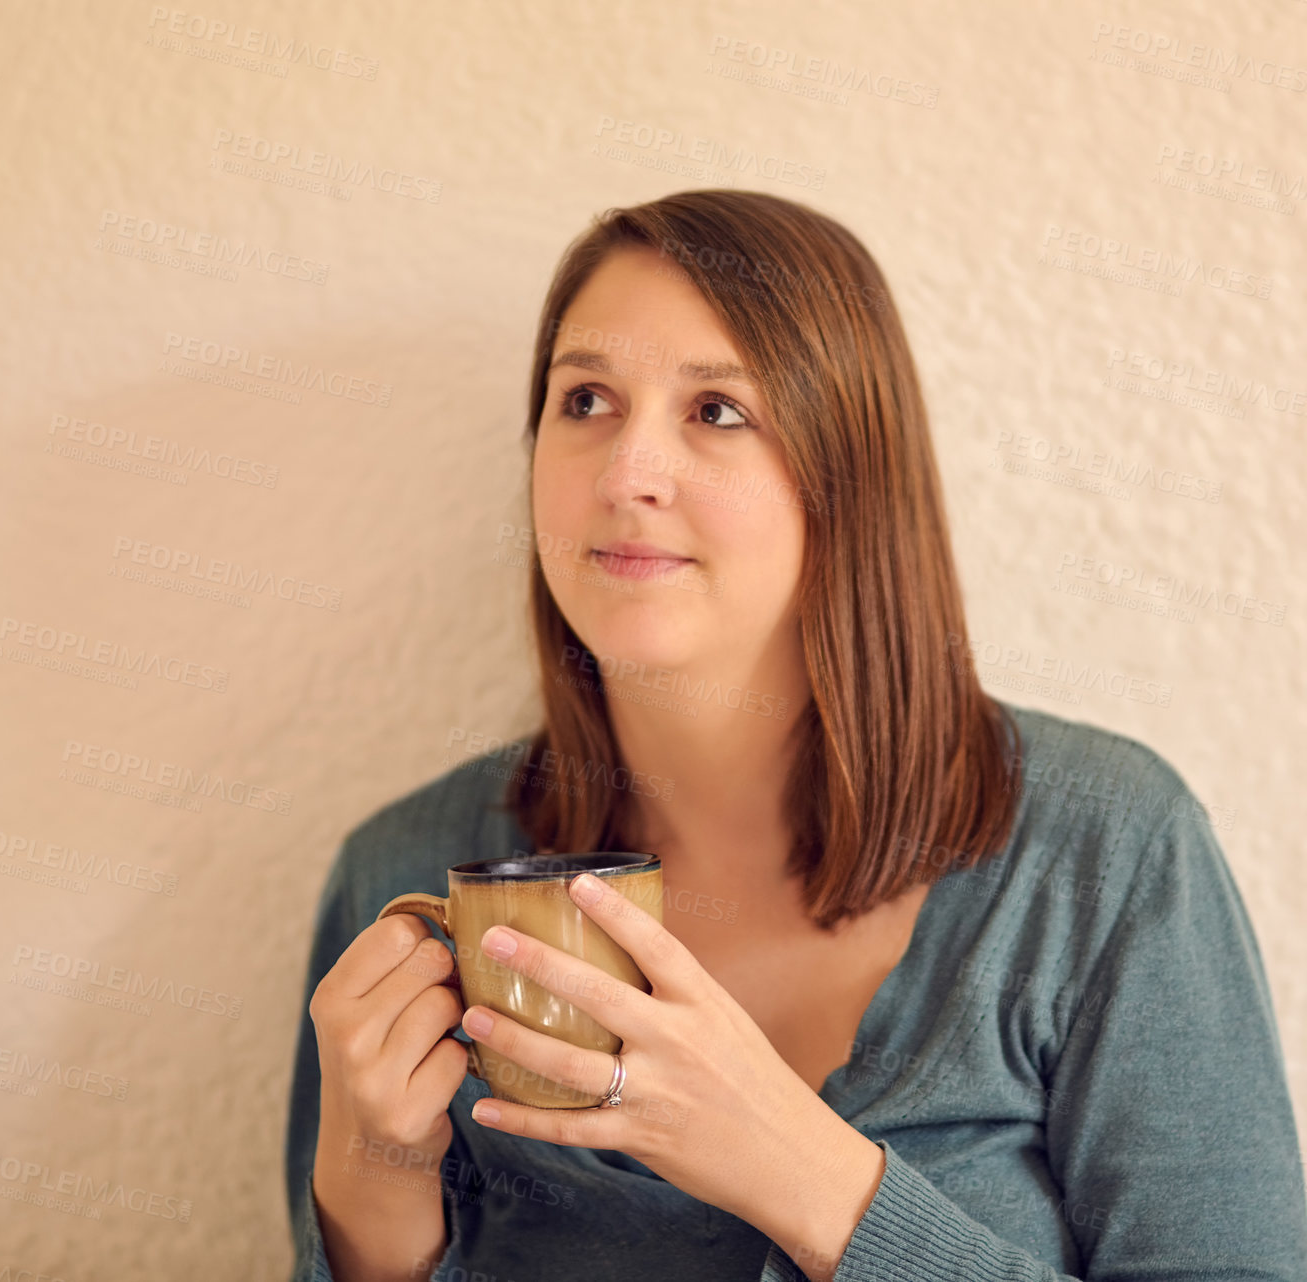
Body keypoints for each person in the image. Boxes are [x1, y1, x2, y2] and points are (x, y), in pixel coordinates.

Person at [284, 190, 1307, 1281]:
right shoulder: (398, 878)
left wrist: (795, 1168)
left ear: (849, 472)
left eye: (717, 410)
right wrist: (375, 1183)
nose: (627, 473)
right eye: (585, 399)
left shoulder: (1106, 852)